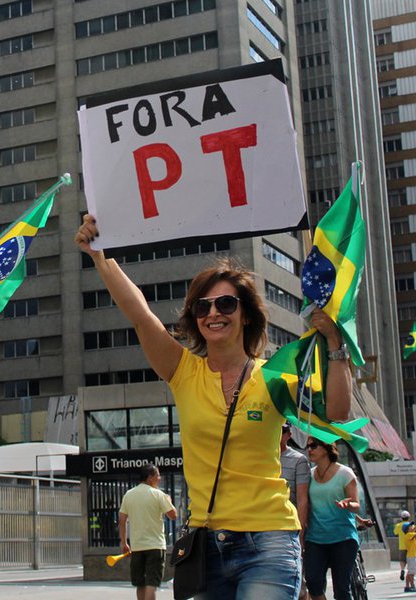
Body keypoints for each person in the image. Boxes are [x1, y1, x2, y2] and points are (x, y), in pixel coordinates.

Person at [75, 218, 353, 600]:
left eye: (225, 303)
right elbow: (140, 315)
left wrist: (335, 342)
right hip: (207, 547)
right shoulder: (182, 370)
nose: (213, 313)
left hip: (269, 539)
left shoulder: (274, 377)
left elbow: (338, 411)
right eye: (202, 306)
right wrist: (100, 256)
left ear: (247, 314)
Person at [304, 439, 361, 600]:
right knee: (313, 582)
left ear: (327, 448)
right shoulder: (309, 475)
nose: (309, 449)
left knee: (342, 589)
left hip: (343, 538)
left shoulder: (345, 473)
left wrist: (347, 504)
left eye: (313, 446)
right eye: (307, 446)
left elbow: (356, 505)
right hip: (315, 538)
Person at [118, 464, 176, 600]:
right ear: (150, 478)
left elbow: (122, 519)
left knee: (140, 584)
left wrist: (124, 542)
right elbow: (173, 515)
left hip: (137, 547)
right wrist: (169, 501)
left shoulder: (129, 494)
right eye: (158, 475)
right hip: (155, 546)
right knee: (151, 583)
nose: (159, 478)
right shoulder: (158, 494)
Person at [279, 424, 310, 536]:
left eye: (282, 431)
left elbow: (302, 499)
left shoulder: (299, 460)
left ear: (289, 435)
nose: (278, 434)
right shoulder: (261, 457)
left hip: (288, 524)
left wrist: (300, 532)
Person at [401, 522, 416, 593]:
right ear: (407, 529)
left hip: (410, 556)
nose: (412, 527)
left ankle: (407, 586)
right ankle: (412, 586)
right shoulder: (409, 535)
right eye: (410, 526)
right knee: (412, 572)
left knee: (409, 572)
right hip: (412, 556)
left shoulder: (409, 534)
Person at [393, 510, 411, 582]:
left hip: (402, 545)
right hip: (410, 546)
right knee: (410, 561)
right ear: (409, 517)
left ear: (401, 518)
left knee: (402, 560)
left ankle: (402, 569)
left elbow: (395, 533)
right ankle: (410, 574)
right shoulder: (411, 525)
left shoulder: (398, 525)